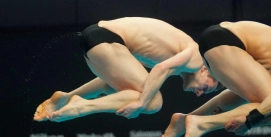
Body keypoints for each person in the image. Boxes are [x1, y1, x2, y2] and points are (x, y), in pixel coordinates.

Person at [33, 17, 221, 122]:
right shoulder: (197, 57)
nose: (198, 93)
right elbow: (160, 69)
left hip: (94, 38)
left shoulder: (177, 60)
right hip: (107, 41)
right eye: (205, 88)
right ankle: (81, 106)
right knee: (153, 101)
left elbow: (108, 81)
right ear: (205, 69)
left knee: (131, 90)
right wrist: (140, 105)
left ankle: (66, 97)